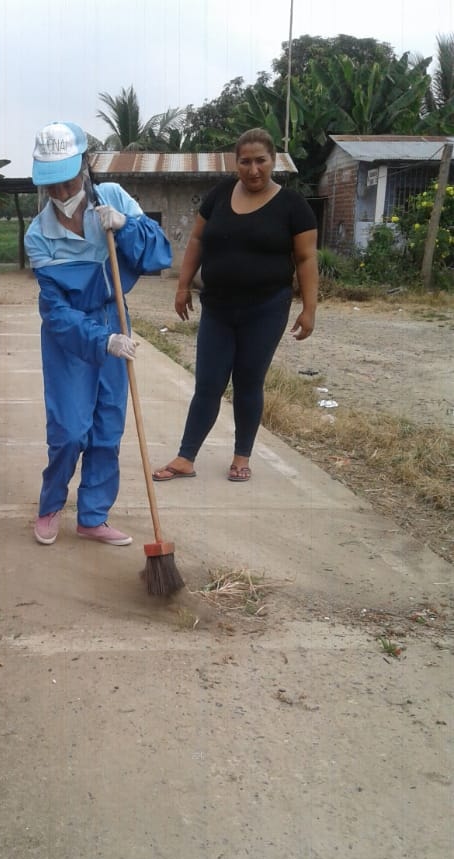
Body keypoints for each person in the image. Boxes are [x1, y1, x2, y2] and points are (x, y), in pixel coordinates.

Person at [25, 121, 172, 546]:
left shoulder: (114, 198)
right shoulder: (38, 235)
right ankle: (51, 505)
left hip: (115, 317)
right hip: (71, 335)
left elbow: (157, 254)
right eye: (51, 184)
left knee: (108, 428)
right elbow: (55, 312)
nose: (60, 192)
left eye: (68, 180)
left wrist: (127, 226)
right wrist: (100, 341)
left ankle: (92, 516)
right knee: (70, 431)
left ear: (86, 164)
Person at [153, 127, 318, 484]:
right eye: (245, 162)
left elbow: (306, 259)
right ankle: (185, 457)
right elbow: (197, 239)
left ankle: (241, 457)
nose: (253, 169)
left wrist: (309, 308)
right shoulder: (219, 195)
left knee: (247, 381)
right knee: (208, 383)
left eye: (261, 161)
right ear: (236, 162)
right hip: (218, 308)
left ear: (273, 161)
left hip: (266, 309)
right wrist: (182, 285)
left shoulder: (293, 206)